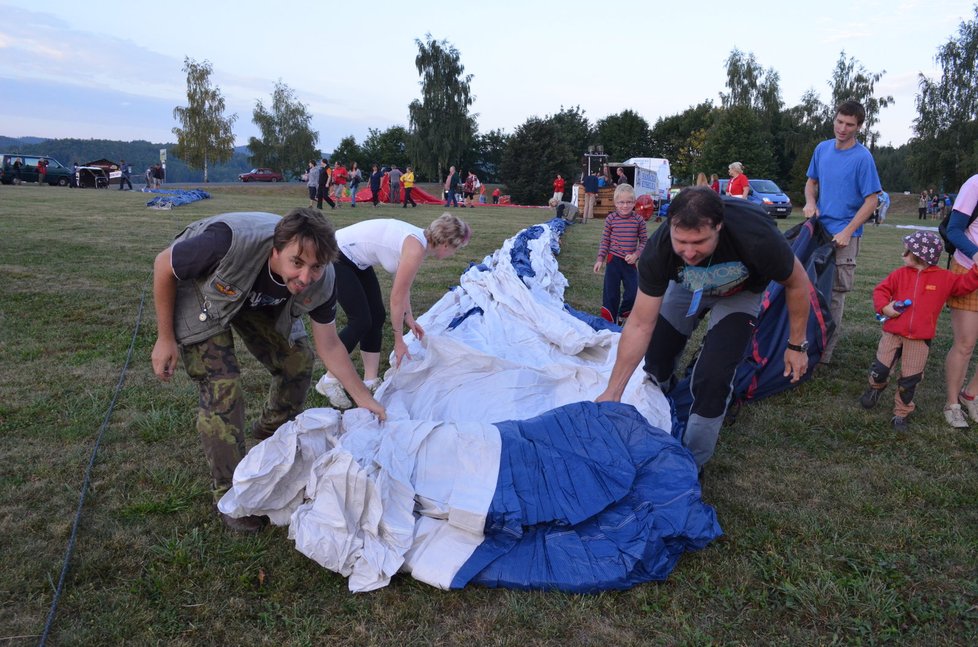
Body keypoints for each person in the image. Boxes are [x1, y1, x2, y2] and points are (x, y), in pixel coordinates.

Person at [151, 208, 386, 532]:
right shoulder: (224, 243)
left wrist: (363, 398)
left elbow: (329, 345)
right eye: (297, 263)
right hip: (204, 291)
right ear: (275, 251)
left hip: (254, 299)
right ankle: (230, 493)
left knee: (298, 361)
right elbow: (164, 265)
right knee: (223, 387)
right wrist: (165, 338)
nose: (305, 277)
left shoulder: (322, 281)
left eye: (315, 267)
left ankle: (266, 441)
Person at [596, 187, 813, 468]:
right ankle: (662, 406)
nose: (688, 251)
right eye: (681, 241)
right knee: (657, 356)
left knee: (714, 376)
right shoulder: (659, 250)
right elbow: (639, 323)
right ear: (669, 227)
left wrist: (797, 345)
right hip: (686, 286)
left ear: (719, 228)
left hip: (741, 293)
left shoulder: (755, 234)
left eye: (698, 242)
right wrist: (614, 392)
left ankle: (692, 463)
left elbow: (797, 282)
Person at [315, 214, 472, 406]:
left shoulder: (418, 243)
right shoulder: (415, 249)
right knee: (361, 320)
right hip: (338, 255)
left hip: (357, 261)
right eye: (456, 249)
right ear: (447, 244)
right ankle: (329, 380)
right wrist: (399, 341)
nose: (453, 254)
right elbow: (396, 298)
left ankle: (370, 380)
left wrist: (410, 318)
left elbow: (403, 288)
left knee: (376, 316)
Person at [861, 231, 978, 432]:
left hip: (919, 340)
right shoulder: (899, 274)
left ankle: (901, 414)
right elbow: (881, 290)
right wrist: (884, 307)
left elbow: (964, 285)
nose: (902, 254)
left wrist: (976, 268)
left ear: (918, 255)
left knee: (910, 380)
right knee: (880, 369)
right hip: (892, 333)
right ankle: (875, 388)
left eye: (906, 250)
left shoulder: (944, 278)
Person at [803, 99, 882, 365]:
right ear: (834, 119)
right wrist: (811, 202)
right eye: (839, 121)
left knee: (834, 296)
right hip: (820, 231)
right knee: (808, 286)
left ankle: (824, 354)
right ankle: (803, 342)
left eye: (850, 124)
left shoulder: (863, 158)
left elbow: (872, 200)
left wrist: (849, 230)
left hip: (845, 237)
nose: (843, 128)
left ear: (859, 127)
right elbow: (811, 182)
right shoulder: (822, 149)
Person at [943, 174, 978, 428]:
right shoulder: (975, 184)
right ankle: (952, 404)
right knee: (965, 344)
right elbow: (954, 230)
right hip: (969, 270)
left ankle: (970, 395)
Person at [593, 184, 648, 325]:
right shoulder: (611, 219)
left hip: (629, 263)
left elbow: (644, 242)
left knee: (633, 292)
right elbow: (605, 240)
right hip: (613, 261)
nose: (625, 206)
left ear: (634, 202)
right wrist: (600, 259)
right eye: (621, 202)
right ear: (615, 203)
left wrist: (636, 255)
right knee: (611, 294)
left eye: (629, 202)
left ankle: (622, 315)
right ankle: (609, 322)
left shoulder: (639, 220)